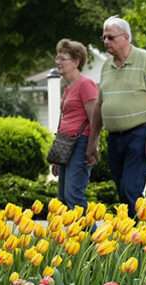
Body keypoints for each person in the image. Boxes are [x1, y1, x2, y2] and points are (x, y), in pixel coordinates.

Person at [87, 16, 146, 218]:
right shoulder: (106, 67)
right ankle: (135, 236)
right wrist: (93, 140)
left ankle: (135, 237)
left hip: (139, 135)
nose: (106, 42)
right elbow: (99, 105)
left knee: (129, 189)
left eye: (110, 37)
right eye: (104, 37)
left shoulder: (145, 60)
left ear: (126, 37)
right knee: (123, 191)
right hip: (114, 138)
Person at [51, 39, 98, 211]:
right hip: (65, 145)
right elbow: (63, 120)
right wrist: (57, 157)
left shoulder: (86, 85)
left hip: (81, 144)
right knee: (63, 197)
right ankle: (75, 237)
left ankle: (92, 237)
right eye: (57, 58)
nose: (58, 62)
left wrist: (92, 147)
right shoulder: (68, 88)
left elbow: (95, 118)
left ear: (76, 61)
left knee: (74, 195)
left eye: (63, 58)